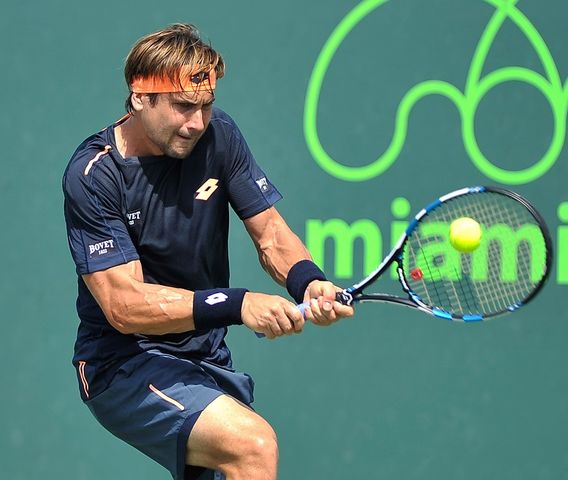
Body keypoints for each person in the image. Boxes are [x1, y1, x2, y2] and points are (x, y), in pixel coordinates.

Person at [62, 24, 353, 480]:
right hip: (122, 363)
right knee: (251, 446)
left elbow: (271, 233)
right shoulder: (94, 174)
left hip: (206, 361)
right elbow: (124, 305)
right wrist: (238, 304)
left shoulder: (220, 136)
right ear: (141, 98)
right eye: (182, 106)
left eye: (206, 105)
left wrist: (308, 281)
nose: (197, 122)